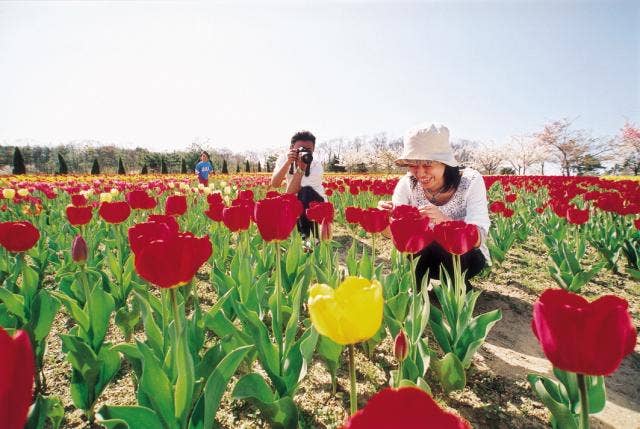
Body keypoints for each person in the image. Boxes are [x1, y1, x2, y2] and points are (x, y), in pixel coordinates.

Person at [377, 123, 490, 288]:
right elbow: (394, 236)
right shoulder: (407, 184)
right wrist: (384, 221)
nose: (420, 172)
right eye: (413, 164)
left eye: (428, 164)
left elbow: (480, 236)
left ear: (445, 163)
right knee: (418, 240)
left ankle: (457, 291)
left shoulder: (470, 181)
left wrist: (446, 222)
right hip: (420, 259)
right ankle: (417, 292)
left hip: (465, 258)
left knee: (445, 244)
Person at [271, 130, 326, 239]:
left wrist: (301, 168)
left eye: (308, 150)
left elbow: (293, 192)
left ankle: (307, 237)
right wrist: (288, 162)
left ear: (314, 149)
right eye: (300, 149)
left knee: (305, 192)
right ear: (292, 148)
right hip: (295, 200)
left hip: (316, 202)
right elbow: (275, 184)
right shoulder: (284, 158)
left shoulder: (316, 166)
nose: (304, 152)